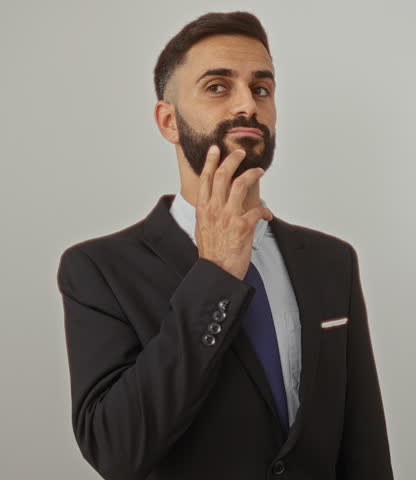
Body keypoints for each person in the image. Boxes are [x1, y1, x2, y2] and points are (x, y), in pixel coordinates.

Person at [57, 11, 393, 480]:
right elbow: (115, 449)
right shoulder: (99, 270)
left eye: (262, 88)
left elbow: (364, 444)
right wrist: (214, 273)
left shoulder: (332, 261)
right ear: (168, 121)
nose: (247, 105)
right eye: (218, 87)